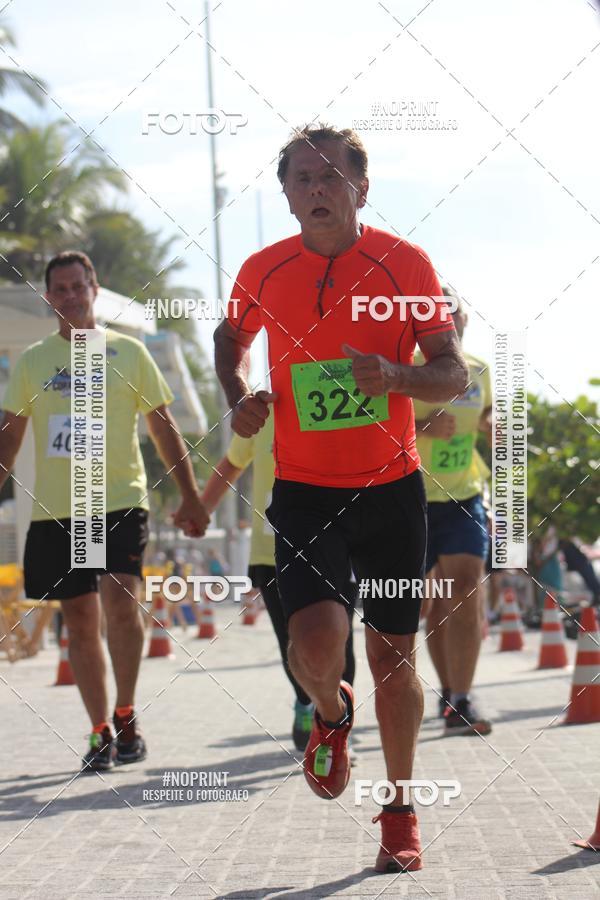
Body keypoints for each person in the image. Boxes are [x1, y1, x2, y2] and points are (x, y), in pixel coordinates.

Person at [212, 124, 468, 872]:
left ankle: (398, 809)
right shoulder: (263, 270)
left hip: (392, 490)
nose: (316, 189)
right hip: (304, 493)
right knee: (316, 646)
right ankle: (330, 713)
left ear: (362, 187)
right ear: (287, 195)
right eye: (301, 179)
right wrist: (239, 398)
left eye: (331, 177)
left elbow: (450, 372)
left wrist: (394, 380)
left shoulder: (405, 263)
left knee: (394, 657)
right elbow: (230, 340)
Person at [0, 251, 209, 772]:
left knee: (121, 602)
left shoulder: (130, 353)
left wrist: (190, 494)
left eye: (78, 286)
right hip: (59, 509)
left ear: (95, 290)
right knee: (80, 617)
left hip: (117, 499)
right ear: (50, 298)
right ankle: (98, 729)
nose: (70, 296)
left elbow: (163, 428)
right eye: (60, 289)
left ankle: (126, 710)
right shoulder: (32, 362)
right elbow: (8, 441)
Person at [199, 412, 357, 754]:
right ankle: (305, 702)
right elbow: (231, 464)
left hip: (336, 546)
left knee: (339, 642)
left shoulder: (343, 398)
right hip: (270, 551)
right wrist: (201, 508)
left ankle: (337, 730)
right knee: (292, 641)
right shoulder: (263, 410)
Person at [413, 288, 493, 735]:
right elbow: (375, 420)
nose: (448, 320)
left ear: (465, 320)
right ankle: (448, 691)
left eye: (454, 313)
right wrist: (422, 425)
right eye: (436, 313)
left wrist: (492, 422)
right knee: (432, 603)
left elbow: (484, 412)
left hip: (464, 495)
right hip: (411, 498)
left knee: (465, 586)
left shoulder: (479, 370)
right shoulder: (405, 366)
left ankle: (462, 699)